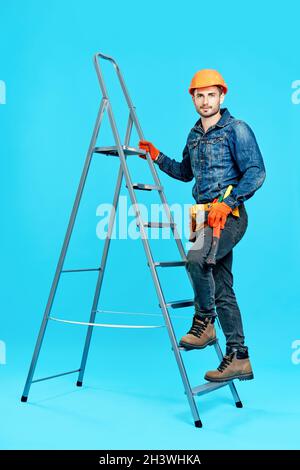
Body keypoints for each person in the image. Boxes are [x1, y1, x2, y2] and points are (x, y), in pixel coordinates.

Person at [138, 69, 266, 382]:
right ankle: (239, 356)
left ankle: (204, 322)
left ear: (222, 96)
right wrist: (157, 157)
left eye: (211, 95)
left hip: (226, 214)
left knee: (195, 260)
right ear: (193, 98)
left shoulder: (238, 129)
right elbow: (185, 172)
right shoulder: (194, 135)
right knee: (221, 287)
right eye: (200, 95)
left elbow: (256, 172)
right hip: (200, 217)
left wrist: (229, 202)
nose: (206, 101)